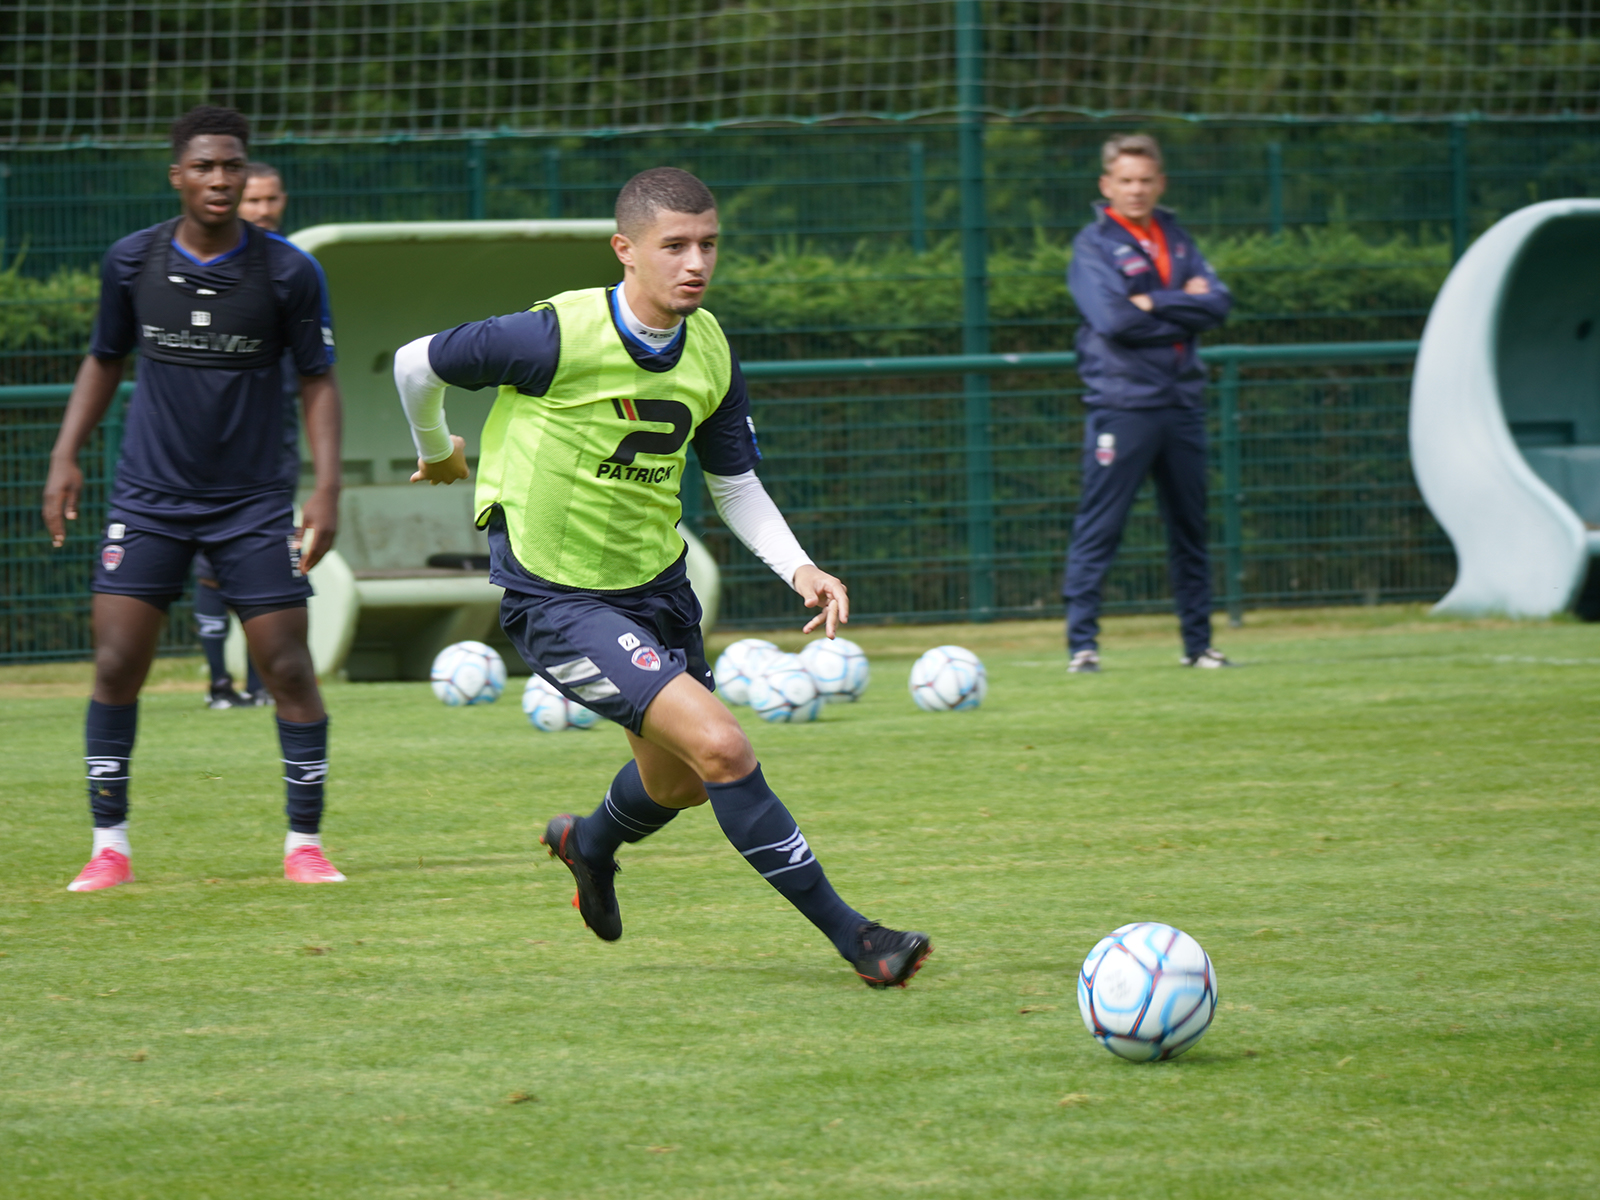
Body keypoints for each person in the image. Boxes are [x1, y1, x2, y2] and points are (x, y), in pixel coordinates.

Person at [392, 167, 932, 988]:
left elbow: (734, 482)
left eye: (708, 245)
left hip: (658, 588)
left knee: (674, 782)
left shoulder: (709, 346)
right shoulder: (553, 337)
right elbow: (413, 363)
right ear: (625, 252)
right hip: (558, 597)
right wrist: (437, 452)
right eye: (673, 246)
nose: (695, 263)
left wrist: (800, 567)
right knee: (722, 746)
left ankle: (588, 843)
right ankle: (859, 939)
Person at [41, 106, 346, 890]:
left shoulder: (287, 272)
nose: (220, 179)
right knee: (115, 662)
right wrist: (65, 456)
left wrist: (327, 488)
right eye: (205, 167)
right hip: (149, 497)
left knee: (286, 665)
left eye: (233, 166)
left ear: (248, 175)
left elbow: (318, 383)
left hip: (253, 503)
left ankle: (303, 848)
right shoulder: (130, 262)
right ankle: (110, 847)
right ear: (177, 175)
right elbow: (103, 360)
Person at [1063, 133, 1235, 673]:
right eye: (1126, 181)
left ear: (1160, 184)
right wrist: (1185, 305)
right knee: (1101, 525)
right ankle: (1082, 646)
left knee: (1191, 527)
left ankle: (1198, 645)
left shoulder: (1176, 238)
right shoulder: (1092, 246)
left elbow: (1220, 304)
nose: (1136, 190)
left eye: (1145, 180)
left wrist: (1153, 302)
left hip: (1181, 402)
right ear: (1106, 185)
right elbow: (1114, 321)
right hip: (1123, 405)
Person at [193, 160, 305, 709]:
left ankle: (262, 685)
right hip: (214, 441)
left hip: (274, 442)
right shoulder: (213, 265)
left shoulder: (293, 271)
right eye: (252, 201)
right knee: (211, 567)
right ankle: (219, 684)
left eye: (270, 200)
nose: (262, 210)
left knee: (264, 558)